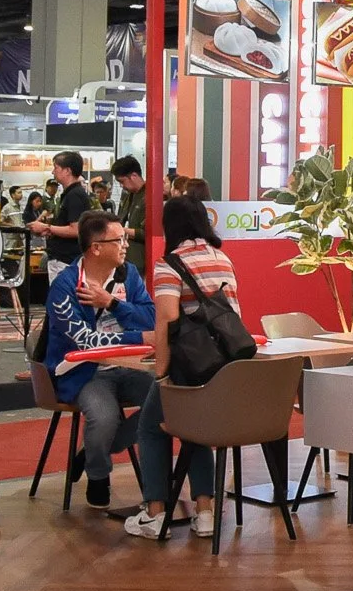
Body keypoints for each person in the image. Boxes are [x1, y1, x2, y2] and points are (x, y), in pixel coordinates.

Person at [124, 196, 232, 540]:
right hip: (224, 366)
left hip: (189, 364)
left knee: (151, 427)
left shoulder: (170, 264)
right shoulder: (222, 258)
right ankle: (205, 513)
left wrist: (161, 372)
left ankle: (156, 513)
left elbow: (167, 321)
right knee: (192, 427)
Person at [42, 209, 155, 509]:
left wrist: (114, 304)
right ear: (96, 248)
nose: (126, 244)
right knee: (103, 416)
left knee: (167, 399)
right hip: (84, 372)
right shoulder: (65, 286)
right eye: (119, 239)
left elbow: (151, 317)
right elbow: (84, 343)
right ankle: (98, 473)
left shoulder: (128, 274)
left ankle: (95, 449)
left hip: (129, 367)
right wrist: (137, 338)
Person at [28, 152, 92, 281]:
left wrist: (47, 227)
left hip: (66, 261)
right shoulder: (67, 195)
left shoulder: (75, 195)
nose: (53, 172)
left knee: (62, 299)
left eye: (56, 167)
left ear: (67, 170)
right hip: (61, 258)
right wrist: (47, 230)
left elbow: (76, 230)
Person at [111, 156, 147, 260]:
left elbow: (147, 233)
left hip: (141, 259)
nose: (122, 186)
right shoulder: (128, 196)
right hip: (125, 257)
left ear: (134, 176)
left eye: (122, 181)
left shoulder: (150, 198)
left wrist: (120, 230)